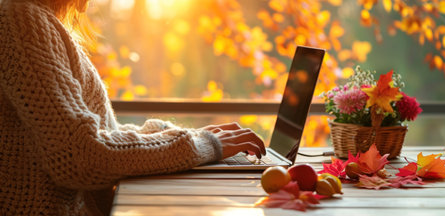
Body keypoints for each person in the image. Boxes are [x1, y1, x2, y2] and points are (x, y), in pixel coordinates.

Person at [0, 0, 266, 215]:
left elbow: (104, 133)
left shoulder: (36, 20)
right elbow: (79, 156)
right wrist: (200, 146)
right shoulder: (23, 19)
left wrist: (195, 138)